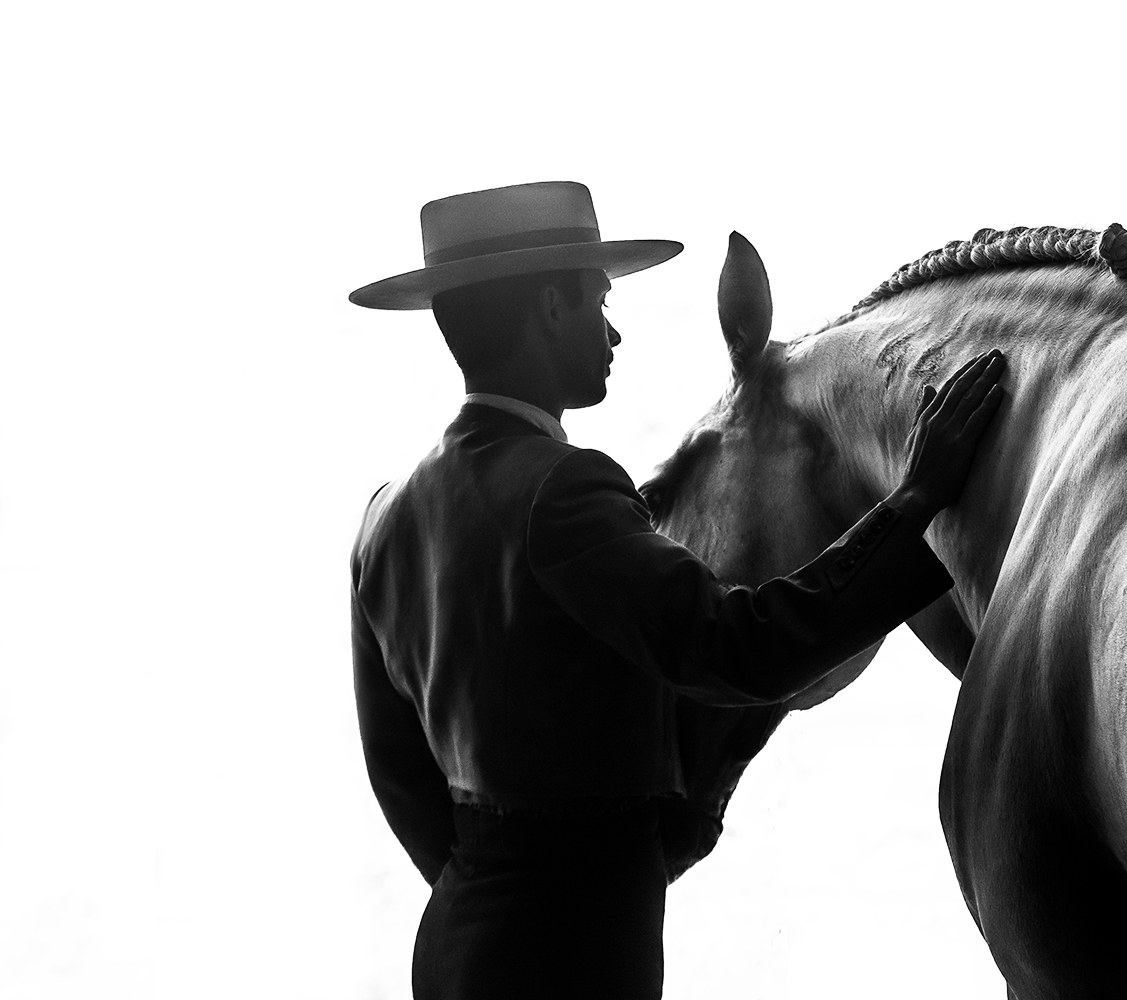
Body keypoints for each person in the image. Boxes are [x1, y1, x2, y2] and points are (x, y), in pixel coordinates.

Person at [347, 181, 1007, 999]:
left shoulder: (384, 517)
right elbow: (740, 647)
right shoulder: (563, 490)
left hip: (457, 945)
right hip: (575, 961)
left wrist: (493, 885)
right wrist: (916, 499)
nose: (613, 330)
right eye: (598, 302)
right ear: (549, 307)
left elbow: (399, 775)